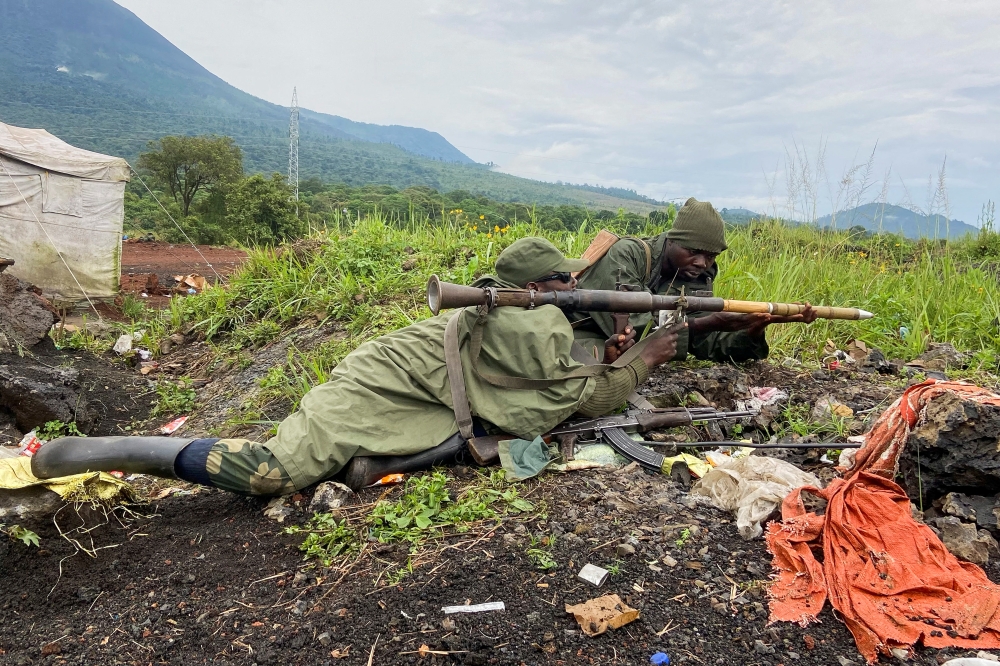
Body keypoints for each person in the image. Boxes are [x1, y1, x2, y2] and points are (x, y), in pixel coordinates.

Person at [32, 238, 682, 494]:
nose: (573, 291)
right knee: (273, 473)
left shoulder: (524, 319)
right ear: (535, 288)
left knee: (375, 462)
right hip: (377, 384)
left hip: (419, 394)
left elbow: (557, 372)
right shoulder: (524, 321)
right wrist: (645, 360)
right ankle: (125, 449)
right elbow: (583, 400)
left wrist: (608, 356)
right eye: (562, 283)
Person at [571, 197, 817, 363]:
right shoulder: (629, 254)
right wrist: (706, 323)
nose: (702, 263)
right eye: (693, 252)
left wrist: (753, 329)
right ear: (672, 240)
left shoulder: (697, 275)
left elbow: (705, 343)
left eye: (711, 256)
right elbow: (633, 328)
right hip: (576, 335)